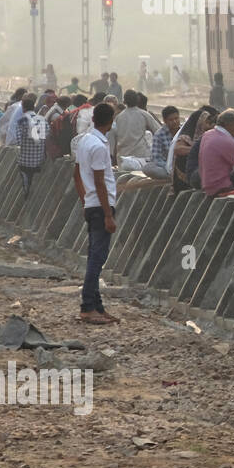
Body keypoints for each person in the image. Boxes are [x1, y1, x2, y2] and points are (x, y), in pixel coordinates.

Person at [73, 101, 119, 325]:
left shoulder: (84, 141)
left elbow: (77, 175)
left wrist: (85, 201)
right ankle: (87, 307)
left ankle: (98, 307)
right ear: (110, 121)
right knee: (97, 260)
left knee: (94, 256)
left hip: (92, 204)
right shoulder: (99, 146)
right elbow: (100, 182)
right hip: (101, 207)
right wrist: (108, 215)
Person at [172, 106, 218, 194]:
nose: (209, 125)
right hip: (185, 175)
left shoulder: (205, 135)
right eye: (206, 122)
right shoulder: (187, 134)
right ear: (199, 122)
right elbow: (178, 149)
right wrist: (197, 150)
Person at [199, 109, 234, 197]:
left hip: (207, 185)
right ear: (227, 125)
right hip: (222, 186)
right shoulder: (227, 141)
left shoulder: (207, 135)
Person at [112, 89, 160, 162]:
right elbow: (158, 130)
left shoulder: (119, 117)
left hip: (122, 157)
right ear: (137, 100)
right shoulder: (144, 114)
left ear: (124, 101)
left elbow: (115, 137)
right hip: (140, 156)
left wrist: (114, 157)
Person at [14, 93, 45, 197]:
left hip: (25, 159)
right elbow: (46, 136)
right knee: (34, 178)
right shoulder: (42, 119)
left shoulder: (22, 120)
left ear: (23, 108)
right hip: (39, 159)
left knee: (25, 177)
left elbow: (18, 140)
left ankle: (26, 192)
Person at [143, 105, 180, 179]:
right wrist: (170, 167)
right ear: (165, 121)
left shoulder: (183, 131)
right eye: (171, 120)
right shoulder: (159, 135)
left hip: (181, 166)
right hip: (166, 167)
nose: (174, 122)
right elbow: (157, 158)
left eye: (176, 118)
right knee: (147, 168)